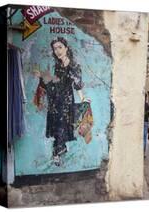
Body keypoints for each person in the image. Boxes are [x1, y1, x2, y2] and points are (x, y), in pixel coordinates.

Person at [33, 37, 88, 165]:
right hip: (54, 99)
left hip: (65, 101)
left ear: (66, 48)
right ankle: (61, 148)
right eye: (55, 48)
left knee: (61, 125)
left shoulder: (73, 65)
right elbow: (56, 80)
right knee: (57, 125)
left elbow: (77, 83)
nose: (57, 51)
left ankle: (57, 152)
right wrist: (42, 76)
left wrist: (82, 98)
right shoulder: (57, 64)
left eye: (60, 47)